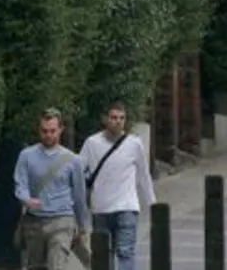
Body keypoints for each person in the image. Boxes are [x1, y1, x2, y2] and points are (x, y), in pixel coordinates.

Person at [82, 101, 156, 270]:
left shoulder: (134, 143)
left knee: (125, 252)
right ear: (105, 119)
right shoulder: (92, 143)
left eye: (121, 118)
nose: (118, 121)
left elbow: (144, 174)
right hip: (101, 208)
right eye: (114, 117)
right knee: (102, 255)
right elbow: (78, 170)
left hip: (127, 206)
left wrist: (152, 202)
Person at [15, 108, 91, 270]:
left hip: (62, 220)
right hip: (34, 222)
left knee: (57, 264)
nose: (48, 135)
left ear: (61, 130)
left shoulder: (73, 160)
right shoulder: (26, 156)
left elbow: (79, 195)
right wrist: (27, 199)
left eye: (52, 131)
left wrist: (83, 226)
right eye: (44, 131)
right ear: (38, 130)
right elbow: (20, 184)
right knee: (34, 266)